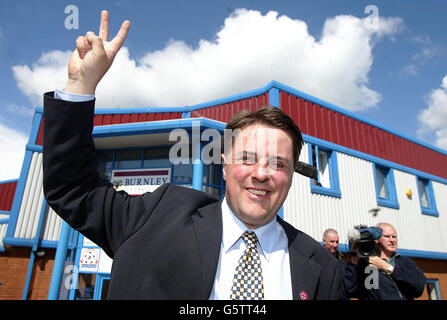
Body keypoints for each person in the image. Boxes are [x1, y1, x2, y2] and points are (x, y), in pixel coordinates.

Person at [42, 10, 342, 299]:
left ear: (290, 176)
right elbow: (73, 189)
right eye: (248, 158)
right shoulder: (157, 216)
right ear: (224, 166)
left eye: (277, 163)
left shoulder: (322, 267)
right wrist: (80, 86)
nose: (261, 174)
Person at [343, 222, 426, 300]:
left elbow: (418, 288)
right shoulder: (367, 264)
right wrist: (354, 260)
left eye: (394, 237)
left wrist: (388, 268)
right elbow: (350, 291)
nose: (392, 240)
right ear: (376, 240)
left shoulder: (404, 261)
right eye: (387, 236)